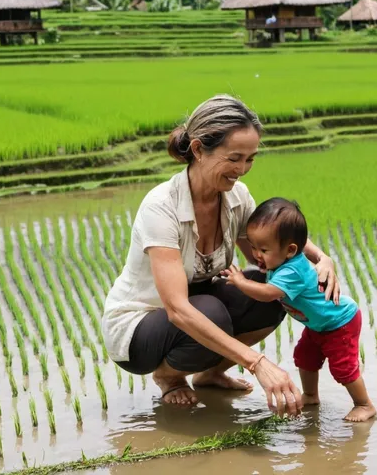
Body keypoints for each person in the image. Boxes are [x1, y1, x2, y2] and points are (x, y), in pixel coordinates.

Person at [101, 95, 340, 417]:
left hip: (197, 307)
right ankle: (168, 378)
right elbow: (177, 309)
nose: (242, 170)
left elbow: (276, 239)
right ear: (199, 150)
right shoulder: (161, 207)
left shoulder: (236, 196)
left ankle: (210, 374)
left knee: (266, 290)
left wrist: (323, 259)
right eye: (234, 158)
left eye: (251, 159)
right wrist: (257, 363)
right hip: (141, 326)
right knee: (211, 310)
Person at [222, 198, 376, 422]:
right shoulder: (280, 262)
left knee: (343, 368)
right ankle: (311, 396)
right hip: (318, 324)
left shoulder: (293, 271)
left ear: (290, 250)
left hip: (339, 322)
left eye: (263, 249)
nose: (256, 254)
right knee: (305, 357)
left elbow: (267, 294)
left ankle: (364, 404)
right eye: (253, 247)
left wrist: (240, 281)